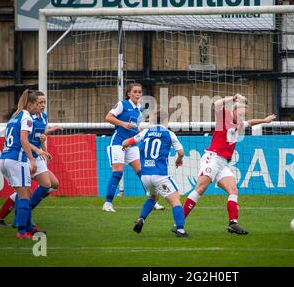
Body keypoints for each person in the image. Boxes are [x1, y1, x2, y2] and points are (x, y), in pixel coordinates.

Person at [179, 94, 277, 235]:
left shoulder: (239, 124)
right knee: (200, 189)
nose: (243, 116)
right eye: (241, 113)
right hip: (212, 158)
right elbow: (217, 104)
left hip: (223, 163)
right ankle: (179, 223)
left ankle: (233, 223)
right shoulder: (224, 118)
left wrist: (265, 120)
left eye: (244, 114)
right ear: (233, 111)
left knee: (233, 190)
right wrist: (233, 97)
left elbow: (250, 122)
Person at [0, 91, 62, 228]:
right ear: (32, 103)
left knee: (54, 184)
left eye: (44, 102)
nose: (43, 105)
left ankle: (12, 216)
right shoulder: (27, 117)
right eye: (40, 102)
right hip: (26, 156)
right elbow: (24, 140)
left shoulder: (43, 117)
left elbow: (40, 136)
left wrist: (44, 144)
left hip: (36, 156)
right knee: (31, 189)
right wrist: (36, 151)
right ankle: (21, 217)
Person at [122, 107, 189, 238]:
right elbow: (181, 152)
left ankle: (141, 219)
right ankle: (180, 230)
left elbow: (126, 142)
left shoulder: (145, 132)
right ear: (166, 120)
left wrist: (125, 146)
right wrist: (179, 160)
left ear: (152, 120)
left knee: (153, 197)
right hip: (160, 175)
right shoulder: (169, 134)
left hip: (145, 176)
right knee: (175, 200)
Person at [103, 83, 164, 212]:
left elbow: (135, 127)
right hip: (118, 142)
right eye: (135, 92)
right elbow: (108, 117)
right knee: (118, 173)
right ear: (129, 93)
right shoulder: (122, 104)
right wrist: (122, 123)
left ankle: (152, 201)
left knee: (143, 173)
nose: (137, 94)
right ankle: (107, 203)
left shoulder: (139, 109)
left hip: (131, 144)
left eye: (139, 92)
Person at [0, 89, 38, 239]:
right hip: (17, 160)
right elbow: (23, 140)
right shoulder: (26, 117)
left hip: (5, 158)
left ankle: (28, 226)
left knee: (25, 193)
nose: (37, 107)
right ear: (29, 104)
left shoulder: (15, 116)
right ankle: (22, 232)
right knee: (24, 197)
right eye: (36, 104)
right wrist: (32, 160)